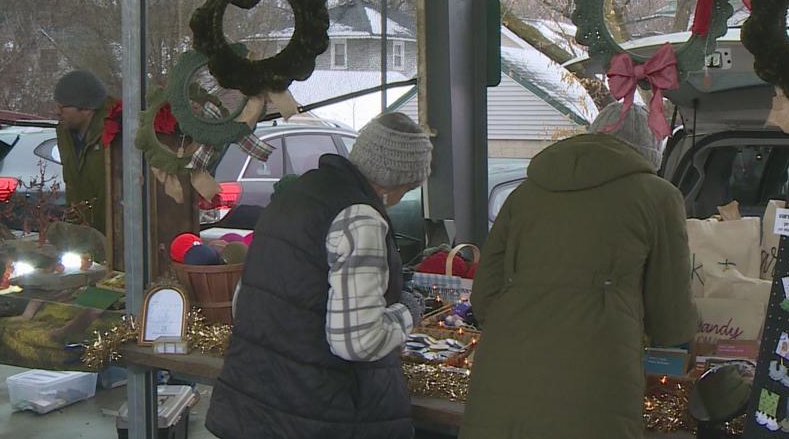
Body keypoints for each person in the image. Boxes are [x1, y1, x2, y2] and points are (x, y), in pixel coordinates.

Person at [459, 102, 698, 439]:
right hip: (597, 382)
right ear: (650, 149)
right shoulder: (658, 197)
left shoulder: (525, 193)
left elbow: (484, 298)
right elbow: (671, 320)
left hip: (503, 375)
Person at [206, 112, 431, 439]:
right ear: (398, 180)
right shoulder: (359, 217)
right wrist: (407, 310)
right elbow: (359, 342)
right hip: (320, 414)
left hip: (253, 403)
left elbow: (245, 300)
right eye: (409, 187)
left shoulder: (294, 195)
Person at [53, 70, 116, 234]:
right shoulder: (65, 134)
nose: (57, 112)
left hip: (115, 234)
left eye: (63, 106)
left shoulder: (115, 130)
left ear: (87, 109)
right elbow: (72, 182)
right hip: (83, 235)